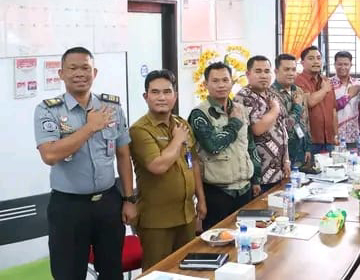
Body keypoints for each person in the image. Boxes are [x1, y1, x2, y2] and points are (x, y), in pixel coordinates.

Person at [34, 46, 135, 280]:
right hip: (69, 207)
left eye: (85, 68)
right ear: (61, 74)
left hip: (108, 202)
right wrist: (89, 128)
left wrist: (129, 199)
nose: (80, 73)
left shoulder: (111, 108)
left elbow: (123, 155)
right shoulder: (48, 110)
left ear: (94, 73)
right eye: (73, 68)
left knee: (112, 272)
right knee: (69, 274)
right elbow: (49, 155)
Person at [129, 70, 206, 270]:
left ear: (175, 95)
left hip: (186, 215)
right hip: (157, 220)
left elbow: (193, 162)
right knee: (158, 272)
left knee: (187, 269)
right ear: (146, 96)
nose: (161, 97)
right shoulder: (140, 130)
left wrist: (201, 200)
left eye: (167, 92)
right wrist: (177, 140)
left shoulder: (181, 124)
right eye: (155, 92)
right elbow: (158, 165)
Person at [188, 62, 260, 231]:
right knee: (219, 240)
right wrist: (234, 124)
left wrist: (256, 178)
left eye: (225, 80)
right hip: (218, 192)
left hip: (244, 189)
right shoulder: (200, 114)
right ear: (206, 84)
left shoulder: (240, 109)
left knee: (247, 237)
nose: (221, 85)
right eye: (215, 81)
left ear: (232, 82)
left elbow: (250, 145)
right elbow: (213, 146)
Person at [235, 56, 290, 193]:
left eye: (267, 71)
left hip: (279, 171)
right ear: (248, 74)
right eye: (258, 71)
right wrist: (275, 109)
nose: (263, 75)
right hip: (258, 174)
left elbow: (282, 128)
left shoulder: (272, 94)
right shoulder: (243, 97)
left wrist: (286, 160)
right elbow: (257, 129)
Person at [271, 54, 312, 167]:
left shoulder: (298, 90)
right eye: (286, 69)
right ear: (276, 71)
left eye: (293, 69)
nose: (291, 73)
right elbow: (284, 125)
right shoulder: (271, 94)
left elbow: (305, 120)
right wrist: (297, 106)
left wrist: (307, 147)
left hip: (301, 150)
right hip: (284, 153)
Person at [295, 46, 337, 154]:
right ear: (302, 62)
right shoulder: (298, 80)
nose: (316, 61)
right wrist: (324, 90)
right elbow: (308, 102)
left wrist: (336, 135)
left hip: (329, 140)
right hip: (310, 141)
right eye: (311, 58)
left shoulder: (326, 81)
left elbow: (333, 111)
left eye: (318, 58)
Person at [331, 51, 360, 148]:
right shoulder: (328, 84)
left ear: (351, 65)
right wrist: (348, 96)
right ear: (334, 65)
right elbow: (329, 108)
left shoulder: (358, 84)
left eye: (346, 64)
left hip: (354, 134)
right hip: (335, 135)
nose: (343, 67)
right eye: (339, 64)